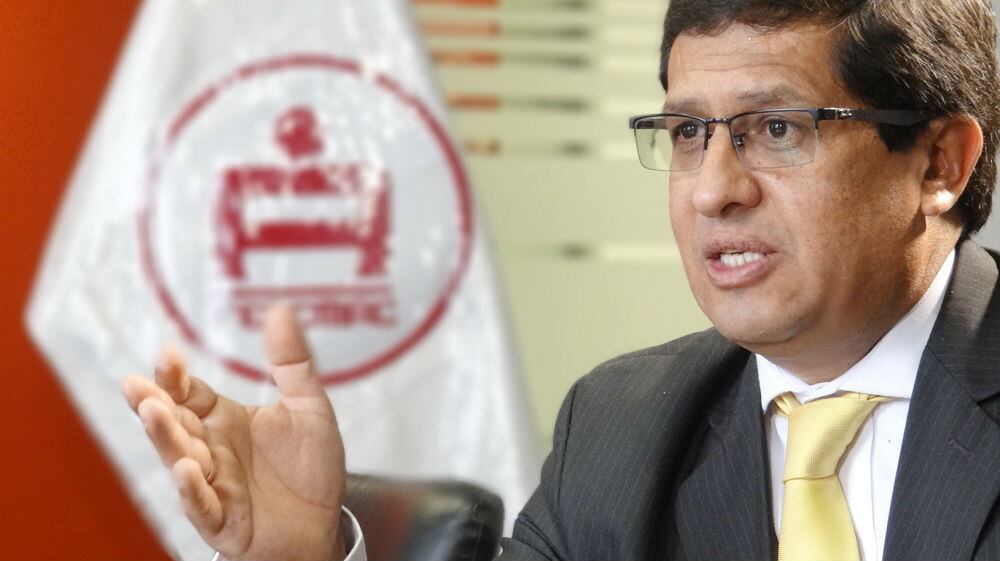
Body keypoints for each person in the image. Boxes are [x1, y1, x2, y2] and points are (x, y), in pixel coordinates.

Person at [122, 0, 1000, 559]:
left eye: (776, 129)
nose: (713, 190)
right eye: (688, 134)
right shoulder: (620, 426)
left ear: (939, 162)